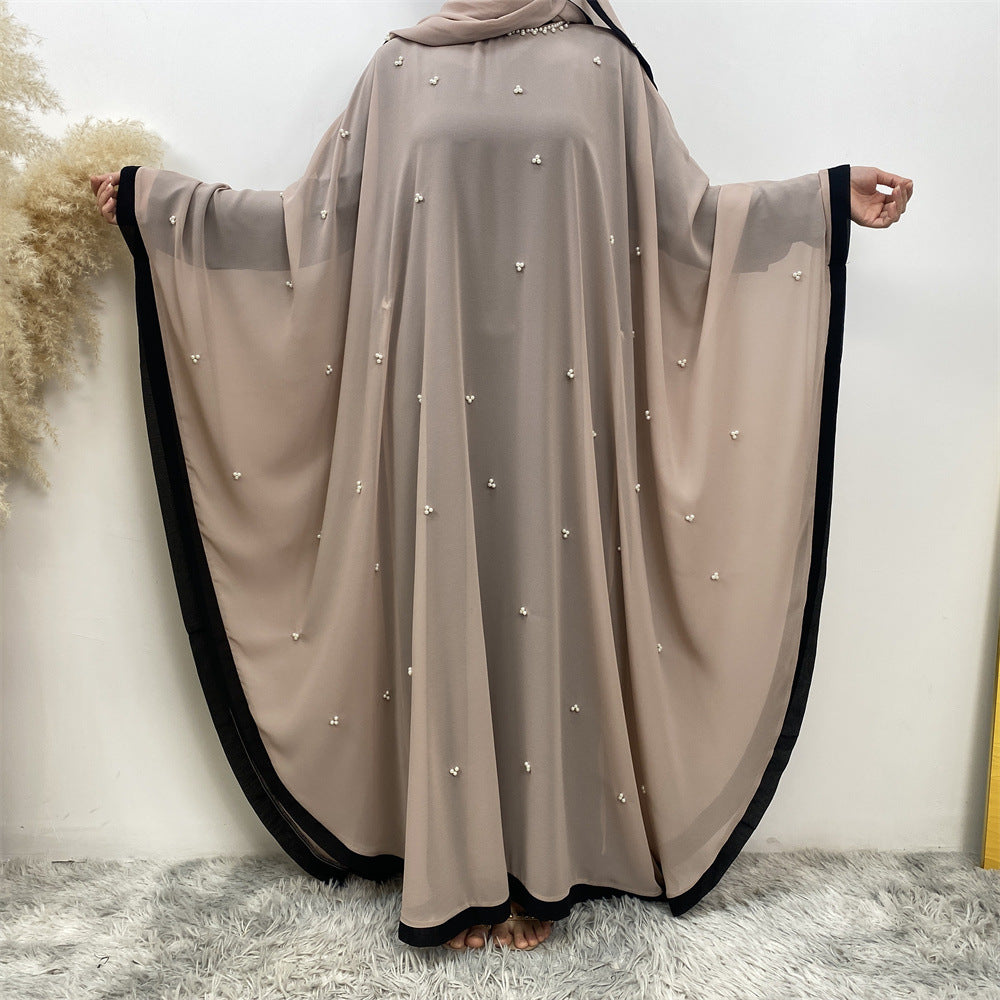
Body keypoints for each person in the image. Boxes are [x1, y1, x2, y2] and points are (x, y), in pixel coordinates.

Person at [90, 0, 911, 954]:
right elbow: (309, 226)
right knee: (445, 601)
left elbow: (685, 222)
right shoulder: (398, 69)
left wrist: (821, 199)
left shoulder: (604, 66)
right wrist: (164, 204)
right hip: (430, 409)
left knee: (549, 600)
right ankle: (458, 867)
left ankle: (541, 869)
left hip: (563, 412)